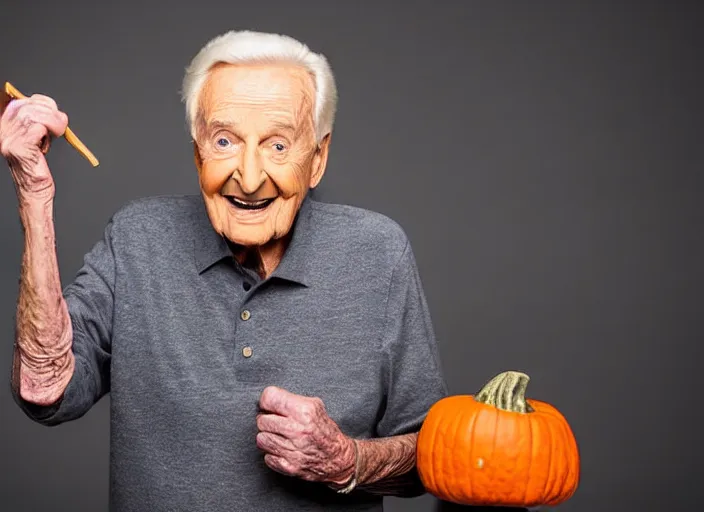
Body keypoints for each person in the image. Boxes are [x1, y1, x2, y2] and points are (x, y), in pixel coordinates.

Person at [3, 30, 448, 511]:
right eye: (224, 141)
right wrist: (34, 193)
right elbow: (43, 386)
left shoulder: (377, 252)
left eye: (278, 146)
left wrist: (346, 462)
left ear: (317, 158)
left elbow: (431, 456)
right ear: (197, 153)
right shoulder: (137, 237)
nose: (250, 178)